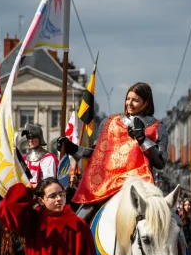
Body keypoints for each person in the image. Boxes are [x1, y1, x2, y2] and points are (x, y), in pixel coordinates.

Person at [57, 82, 168, 223]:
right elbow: (97, 153)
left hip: (139, 184)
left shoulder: (158, 127)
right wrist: (74, 148)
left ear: (146, 103)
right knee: (78, 221)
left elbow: (161, 162)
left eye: (135, 100)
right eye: (128, 99)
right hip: (107, 182)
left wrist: (142, 139)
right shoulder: (110, 122)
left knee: (169, 222)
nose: (130, 103)